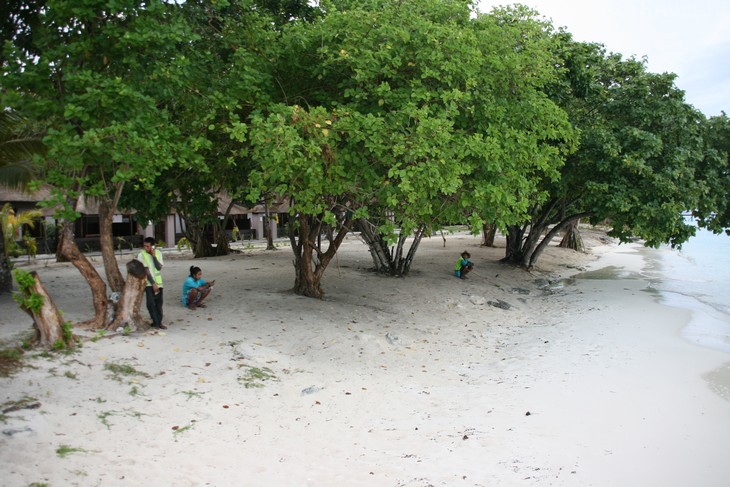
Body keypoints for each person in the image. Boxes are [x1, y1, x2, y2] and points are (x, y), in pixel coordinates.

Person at [138, 237, 166, 329]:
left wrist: (153, 256)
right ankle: (155, 322)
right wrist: (153, 284)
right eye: (144, 246)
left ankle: (159, 322)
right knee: (150, 303)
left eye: (148, 246)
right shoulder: (141, 255)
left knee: (159, 303)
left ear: (153, 246)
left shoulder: (158, 253)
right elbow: (146, 270)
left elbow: (158, 267)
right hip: (149, 283)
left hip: (159, 282)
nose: (146, 248)